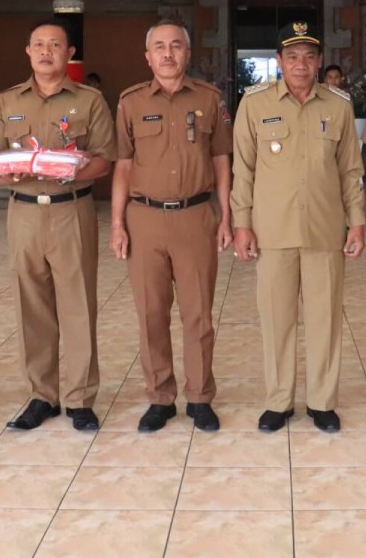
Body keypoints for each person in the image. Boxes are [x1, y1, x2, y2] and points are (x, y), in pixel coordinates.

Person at [231, 22, 365, 433]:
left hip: (325, 229)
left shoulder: (338, 106)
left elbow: (350, 171)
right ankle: (279, 400)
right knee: (277, 319)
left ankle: (322, 402)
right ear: (279, 62)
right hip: (273, 230)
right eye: (292, 56)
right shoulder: (254, 104)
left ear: (320, 61)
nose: (301, 64)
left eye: (309, 56)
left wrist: (357, 222)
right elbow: (243, 170)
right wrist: (242, 224)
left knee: (325, 318)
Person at [0, 22, 115, 431]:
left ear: (69, 52)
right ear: (27, 51)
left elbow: (104, 159)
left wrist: (67, 172)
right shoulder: (7, 101)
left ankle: (80, 398)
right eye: (39, 45)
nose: (46, 52)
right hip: (23, 212)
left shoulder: (89, 101)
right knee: (32, 306)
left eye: (55, 45)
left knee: (78, 305)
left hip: (70, 211)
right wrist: (12, 174)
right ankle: (42, 395)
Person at [111, 21, 233, 434]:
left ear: (187, 53)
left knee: (198, 314)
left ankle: (200, 397)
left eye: (176, 46)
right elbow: (123, 165)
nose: (167, 54)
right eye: (159, 47)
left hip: (196, 216)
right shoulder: (129, 102)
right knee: (151, 312)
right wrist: (117, 223)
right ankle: (160, 397)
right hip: (143, 218)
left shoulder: (209, 100)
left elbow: (221, 161)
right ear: (147, 57)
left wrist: (227, 217)